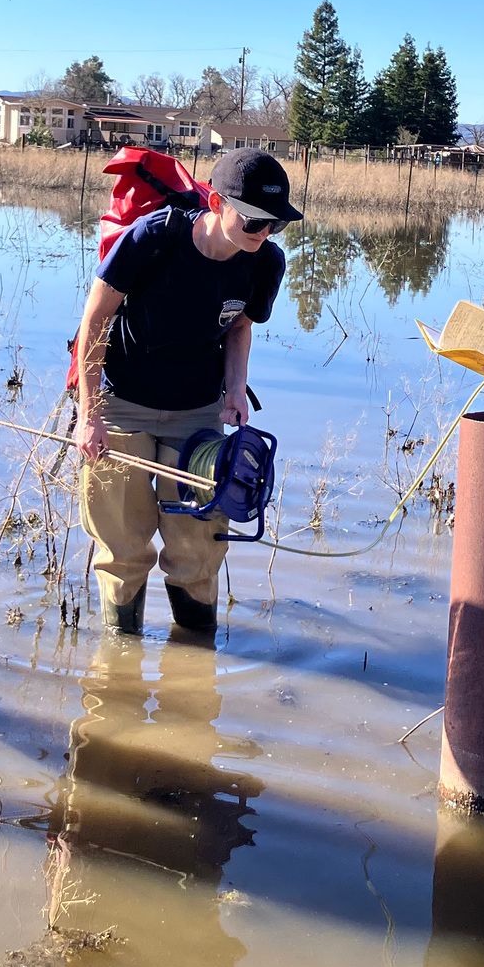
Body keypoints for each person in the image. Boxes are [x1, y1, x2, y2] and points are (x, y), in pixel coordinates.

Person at [70, 147, 298, 634]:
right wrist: (89, 414)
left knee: (198, 547)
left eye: (274, 224)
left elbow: (239, 327)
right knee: (123, 548)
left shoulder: (264, 263)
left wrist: (235, 390)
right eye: (254, 221)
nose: (263, 234)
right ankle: (120, 661)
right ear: (217, 204)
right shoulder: (155, 237)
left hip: (197, 413)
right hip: (122, 407)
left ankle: (195, 653)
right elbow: (94, 321)